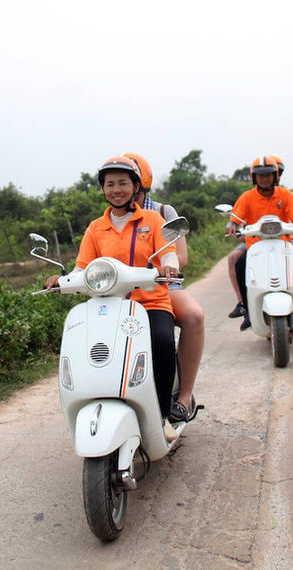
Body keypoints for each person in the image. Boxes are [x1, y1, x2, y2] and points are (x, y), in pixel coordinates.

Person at [43, 156, 181, 422]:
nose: (116, 190)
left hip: (150, 303)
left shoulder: (152, 220)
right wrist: (61, 281)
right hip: (108, 306)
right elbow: (81, 269)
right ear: (103, 189)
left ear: (136, 186)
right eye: (109, 184)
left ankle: (163, 415)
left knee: (162, 342)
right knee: (92, 350)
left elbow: (169, 255)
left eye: (122, 183)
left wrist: (168, 268)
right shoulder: (96, 228)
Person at [123, 152, 202, 424]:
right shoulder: (110, 217)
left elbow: (180, 256)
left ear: (140, 184)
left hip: (162, 286)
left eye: (128, 183)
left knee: (193, 316)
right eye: (115, 183)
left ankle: (182, 398)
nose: (122, 191)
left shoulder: (163, 212)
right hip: (122, 290)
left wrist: (162, 269)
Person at [225, 155, 293, 331]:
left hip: (283, 240)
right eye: (260, 175)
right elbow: (234, 219)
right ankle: (242, 304)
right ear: (254, 177)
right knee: (234, 259)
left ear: (275, 175)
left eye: (268, 174)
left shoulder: (285, 195)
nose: (264, 178)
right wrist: (231, 226)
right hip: (254, 243)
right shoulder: (247, 197)